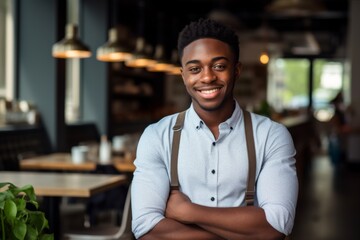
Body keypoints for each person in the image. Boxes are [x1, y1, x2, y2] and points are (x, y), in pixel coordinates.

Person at [131, 18, 298, 240]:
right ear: (183, 75)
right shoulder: (157, 136)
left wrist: (188, 212)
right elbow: (146, 229)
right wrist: (240, 233)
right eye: (195, 68)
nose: (208, 77)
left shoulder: (271, 136)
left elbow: (276, 227)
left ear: (236, 70)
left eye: (219, 66)